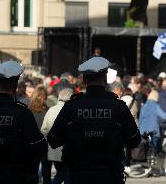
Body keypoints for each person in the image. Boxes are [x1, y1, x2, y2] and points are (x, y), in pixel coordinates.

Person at [47, 56, 141, 184]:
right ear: (105, 78)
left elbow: (53, 139)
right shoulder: (118, 106)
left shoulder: (72, 106)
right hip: (110, 176)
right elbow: (134, 140)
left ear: (84, 79)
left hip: (79, 176)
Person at [41, 88, 74, 184]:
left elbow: (43, 130)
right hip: (66, 150)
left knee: (60, 173)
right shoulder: (71, 110)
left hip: (52, 149)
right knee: (65, 174)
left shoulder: (51, 109)